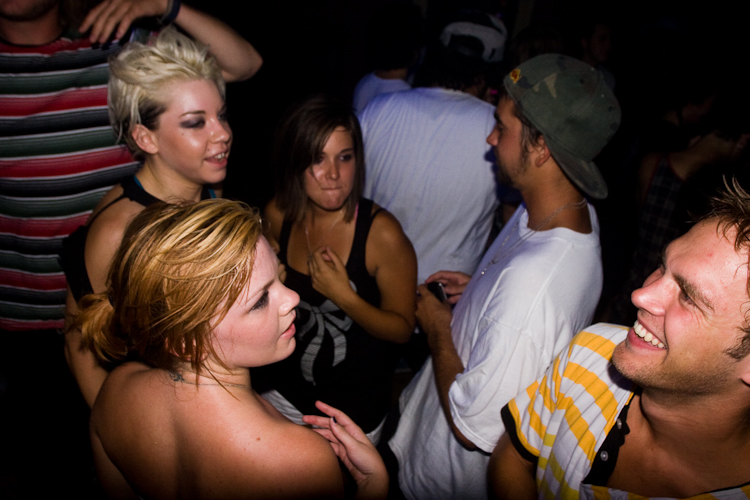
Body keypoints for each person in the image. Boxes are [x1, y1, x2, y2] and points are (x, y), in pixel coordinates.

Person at [386, 54, 620, 500]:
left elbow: (476, 427)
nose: (490, 138)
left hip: (440, 481)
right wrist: (480, 286)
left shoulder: (532, 287)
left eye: (502, 126)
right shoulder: (565, 211)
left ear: (542, 147)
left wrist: (437, 328)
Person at [69, 199, 388, 499]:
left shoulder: (115, 389)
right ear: (187, 343)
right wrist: (373, 487)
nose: (292, 298)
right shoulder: (302, 462)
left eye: (277, 277)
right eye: (260, 300)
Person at [490, 178, 750, 500]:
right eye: (662, 267)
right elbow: (512, 458)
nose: (641, 295)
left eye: (689, 297)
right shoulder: (593, 351)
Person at [60, 26, 232, 408]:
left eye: (221, 115)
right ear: (145, 138)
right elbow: (80, 347)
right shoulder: (120, 230)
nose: (222, 133)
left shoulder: (209, 190)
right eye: (196, 122)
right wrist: (115, 433)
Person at [257, 95, 417, 445]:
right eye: (318, 159)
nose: (333, 174)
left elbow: (403, 330)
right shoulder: (278, 215)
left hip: (350, 412)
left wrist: (345, 297)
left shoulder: (382, 234)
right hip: (282, 394)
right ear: (295, 162)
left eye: (344, 157)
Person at [359, 11, 506, 286]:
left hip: (370, 278)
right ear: (486, 74)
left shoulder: (379, 108)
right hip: (444, 291)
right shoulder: (499, 128)